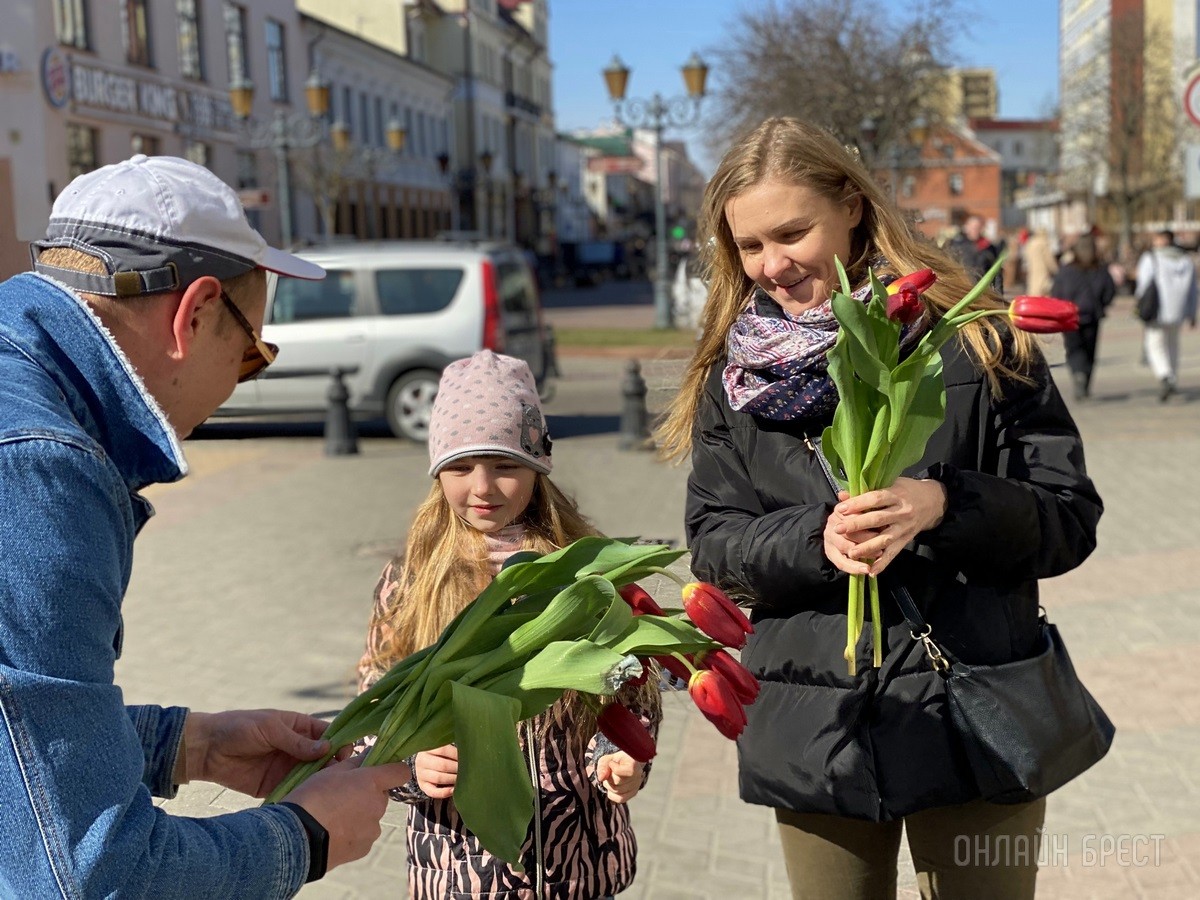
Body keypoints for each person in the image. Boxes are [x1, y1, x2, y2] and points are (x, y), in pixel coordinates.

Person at [656, 118, 1103, 900]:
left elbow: (1067, 518)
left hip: (973, 708)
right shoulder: (739, 376)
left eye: (792, 233)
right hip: (814, 725)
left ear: (853, 205)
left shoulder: (978, 339)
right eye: (749, 247)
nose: (772, 265)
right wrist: (814, 538)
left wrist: (945, 503)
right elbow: (715, 545)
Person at [0, 154, 411, 897]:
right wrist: (306, 836)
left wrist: (187, 744)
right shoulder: (41, 466)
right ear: (194, 314)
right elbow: (89, 876)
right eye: (252, 353)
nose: (233, 389)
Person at [357, 349, 661, 900]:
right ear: (436, 471)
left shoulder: (581, 571)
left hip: (577, 860)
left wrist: (619, 757)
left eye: (505, 466)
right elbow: (374, 706)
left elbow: (629, 689)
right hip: (459, 867)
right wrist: (411, 760)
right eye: (460, 467)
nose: (483, 487)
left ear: (537, 467)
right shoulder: (414, 582)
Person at [1050, 233, 1116, 400]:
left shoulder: (1067, 270)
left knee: (1074, 349)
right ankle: (1084, 379)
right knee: (1090, 350)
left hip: (1069, 315)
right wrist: (1102, 305)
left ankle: (1078, 373)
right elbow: (1109, 291)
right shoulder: (1101, 269)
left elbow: (1057, 292)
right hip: (1092, 315)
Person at [1134, 229, 1198, 401]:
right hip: (1179, 310)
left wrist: (1139, 305)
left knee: (1154, 344)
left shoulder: (1151, 258)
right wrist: (1192, 312)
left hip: (1157, 309)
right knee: (1173, 344)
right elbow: (1193, 289)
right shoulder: (1185, 260)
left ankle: (1165, 375)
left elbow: (1143, 285)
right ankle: (1173, 378)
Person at [946, 214, 1003, 293]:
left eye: (978, 227)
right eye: (973, 227)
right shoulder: (956, 246)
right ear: (967, 227)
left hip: (982, 292)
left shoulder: (989, 247)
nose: (975, 230)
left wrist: (999, 296)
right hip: (961, 291)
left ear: (982, 228)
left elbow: (996, 273)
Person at [1022, 228, 1058, 297]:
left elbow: (1026, 257)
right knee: (1045, 294)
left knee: (1033, 292)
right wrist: (1056, 270)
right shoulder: (1043, 244)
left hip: (1032, 272)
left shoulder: (1030, 243)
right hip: (1043, 272)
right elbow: (1049, 261)